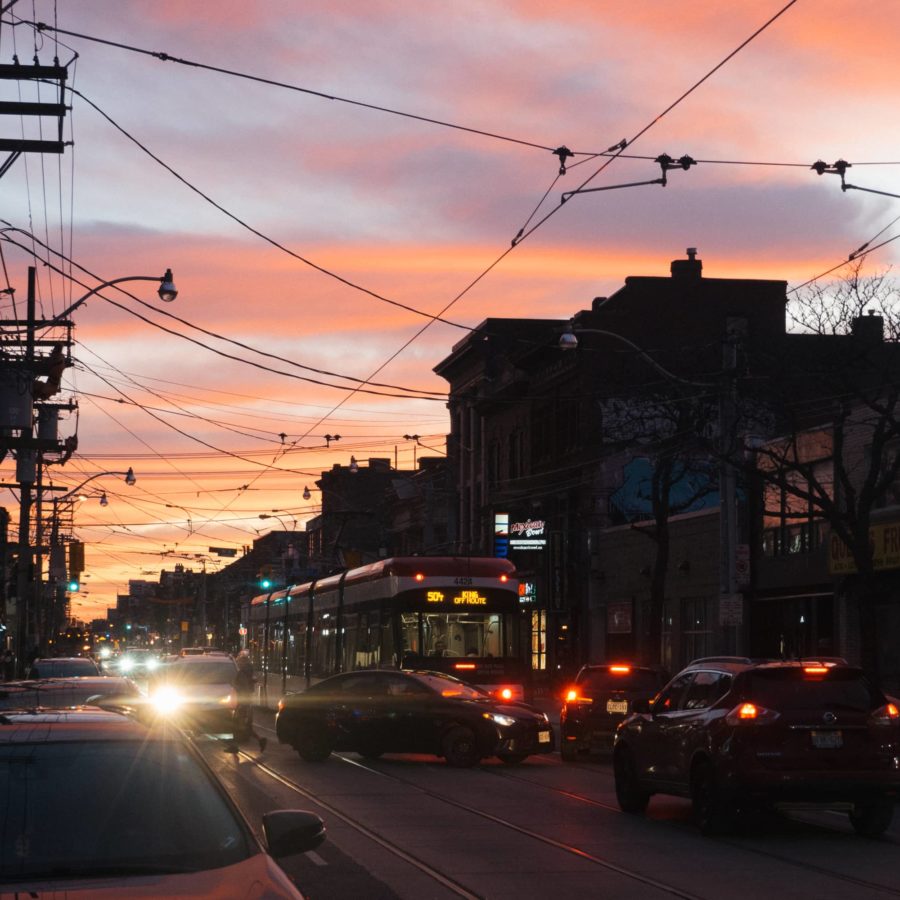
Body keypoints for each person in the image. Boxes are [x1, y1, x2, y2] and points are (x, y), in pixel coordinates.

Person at [231, 652, 266, 753]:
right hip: (246, 702)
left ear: (242, 662)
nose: (237, 663)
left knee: (237, 724)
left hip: (243, 702)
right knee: (245, 726)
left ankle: (235, 746)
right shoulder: (248, 672)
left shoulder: (242, 673)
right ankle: (260, 740)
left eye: (239, 661)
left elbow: (243, 687)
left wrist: (242, 703)